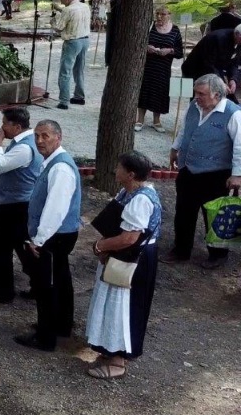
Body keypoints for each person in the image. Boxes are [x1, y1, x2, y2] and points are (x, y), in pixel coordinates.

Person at [84, 151, 162, 380]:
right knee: (112, 303)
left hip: (134, 258)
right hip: (124, 254)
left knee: (124, 308)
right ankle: (110, 349)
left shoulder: (141, 200)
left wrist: (100, 246)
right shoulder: (129, 192)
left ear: (131, 174)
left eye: (119, 168)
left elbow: (129, 238)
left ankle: (119, 360)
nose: (115, 170)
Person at [14, 120, 81, 352]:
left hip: (55, 236)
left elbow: (56, 208)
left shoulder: (60, 168)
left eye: (45, 136)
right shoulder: (53, 162)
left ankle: (45, 337)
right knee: (61, 280)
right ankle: (61, 325)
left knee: (47, 286)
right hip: (59, 235)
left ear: (58, 138)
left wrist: (39, 239)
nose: (40, 141)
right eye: (37, 136)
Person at [164, 74, 241, 269]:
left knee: (215, 215)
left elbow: (240, 146)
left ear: (217, 95)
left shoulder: (233, 113)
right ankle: (181, 250)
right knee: (183, 212)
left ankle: (218, 254)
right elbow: (185, 129)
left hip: (216, 174)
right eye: (196, 92)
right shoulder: (194, 106)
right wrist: (175, 149)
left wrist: (237, 174)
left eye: (201, 93)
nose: (196, 96)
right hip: (188, 169)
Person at [0, 107, 42, 303]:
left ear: (17, 126)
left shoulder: (24, 148)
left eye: (5, 123)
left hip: (16, 206)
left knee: (0, 248)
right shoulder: (29, 142)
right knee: (23, 247)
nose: (1, 127)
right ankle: (39, 286)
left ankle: (3, 291)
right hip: (22, 204)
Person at [136, 6, 184, 131]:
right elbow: (139, 43)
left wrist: (170, 50)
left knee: (160, 92)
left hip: (164, 68)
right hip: (148, 66)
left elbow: (180, 52)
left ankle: (156, 121)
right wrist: (147, 47)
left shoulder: (175, 30)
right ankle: (140, 119)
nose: (159, 16)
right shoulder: (150, 26)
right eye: (157, 13)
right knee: (144, 91)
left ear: (169, 15)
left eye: (162, 14)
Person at [51, 0, 91, 109]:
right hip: (85, 39)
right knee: (79, 69)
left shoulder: (68, 10)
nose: (60, 1)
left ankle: (64, 101)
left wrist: (52, 22)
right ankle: (79, 96)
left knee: (65, 71)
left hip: (72, 41)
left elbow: (59, 28)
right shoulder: (84, 6)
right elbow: (70, 12)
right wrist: (59, 9)